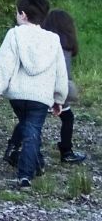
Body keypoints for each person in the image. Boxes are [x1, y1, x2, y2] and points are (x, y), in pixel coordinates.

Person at [0, 0, 68, 189]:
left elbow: (4, 62)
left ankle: (34, 167)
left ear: (23, 15)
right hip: (41, 97)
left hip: (18, 95)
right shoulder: (53, 39)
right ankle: (25, 175)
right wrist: (59, 99)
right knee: (32, 130)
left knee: (28, 128)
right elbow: (60, 71)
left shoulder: (14, 34)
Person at [41, 9, 87, 164]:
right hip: (55, 91)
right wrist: (60, 98)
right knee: (68, 118)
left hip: (39, 89)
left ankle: (14, 146)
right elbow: (64, 75)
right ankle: (66, 151)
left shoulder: (42, 43)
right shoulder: (65, 46)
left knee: (31, 120)